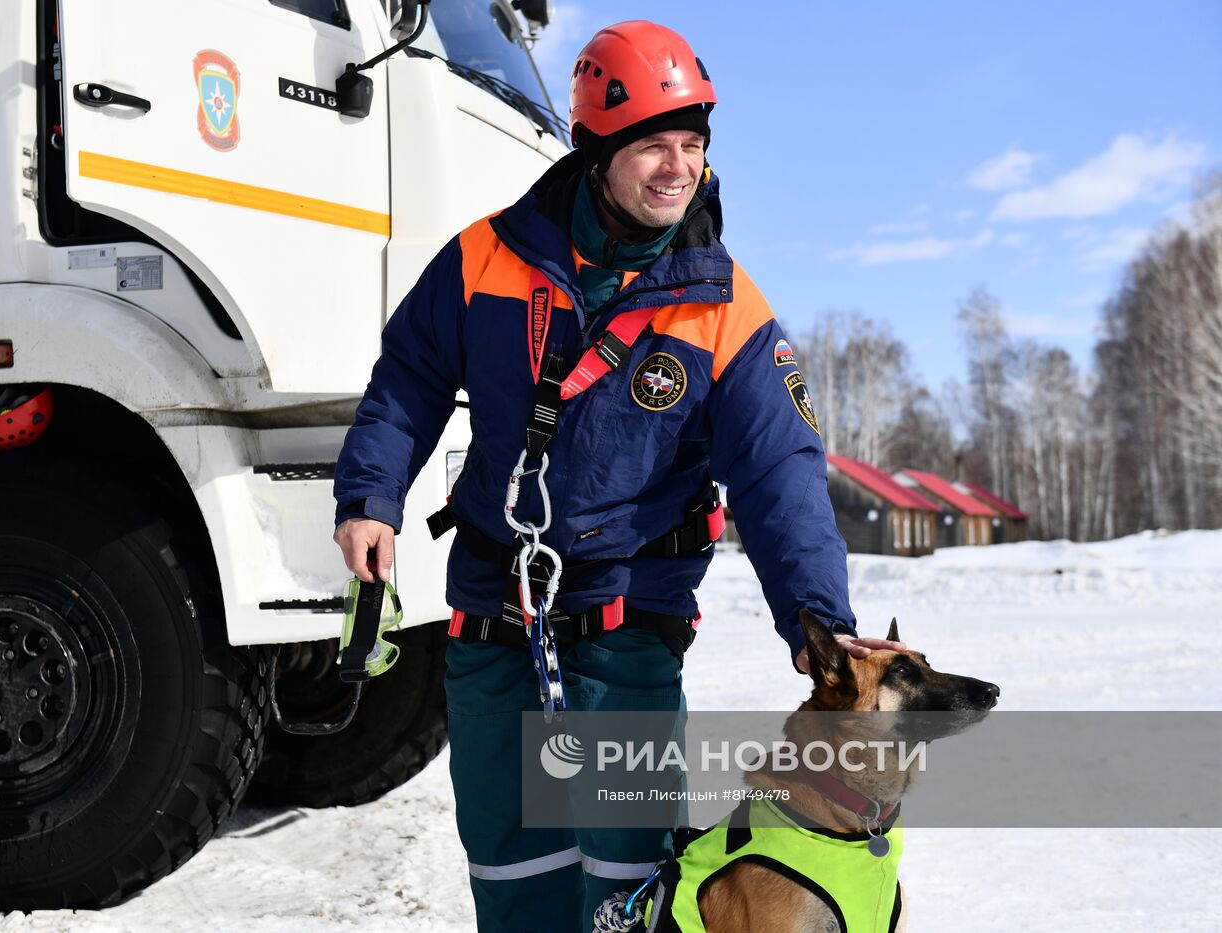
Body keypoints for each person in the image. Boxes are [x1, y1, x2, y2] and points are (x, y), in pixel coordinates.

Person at [333, 20, 903, 932]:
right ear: (598, 150)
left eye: (693, 145)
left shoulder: (725, 308)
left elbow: (780, 474)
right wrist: (371, 496)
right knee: (514, 881)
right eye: (653, 146)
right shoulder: (488, 258)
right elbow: (408, 375)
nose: (678, 167)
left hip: (623, 631)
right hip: (494, 620)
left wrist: (817, 617)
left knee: (626, 893)